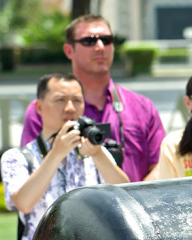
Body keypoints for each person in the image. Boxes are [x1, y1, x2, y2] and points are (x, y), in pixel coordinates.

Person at [20, 14, 166, 182]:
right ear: (69, 50)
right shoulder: (43, 109)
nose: (100, 46)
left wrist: (135, 203)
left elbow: (161, 166)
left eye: (107, 39)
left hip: (132, 206)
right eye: (89, 41)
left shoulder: (142, 106)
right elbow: (32, 169)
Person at [2, 73, 129, 240]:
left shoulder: (93, 150)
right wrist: (56, 154)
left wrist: (99, 154)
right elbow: (24, 203)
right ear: (38, 107)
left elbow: (125, 194)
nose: (70, 108)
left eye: (77, 100)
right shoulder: (17, 157)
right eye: (60, 100)